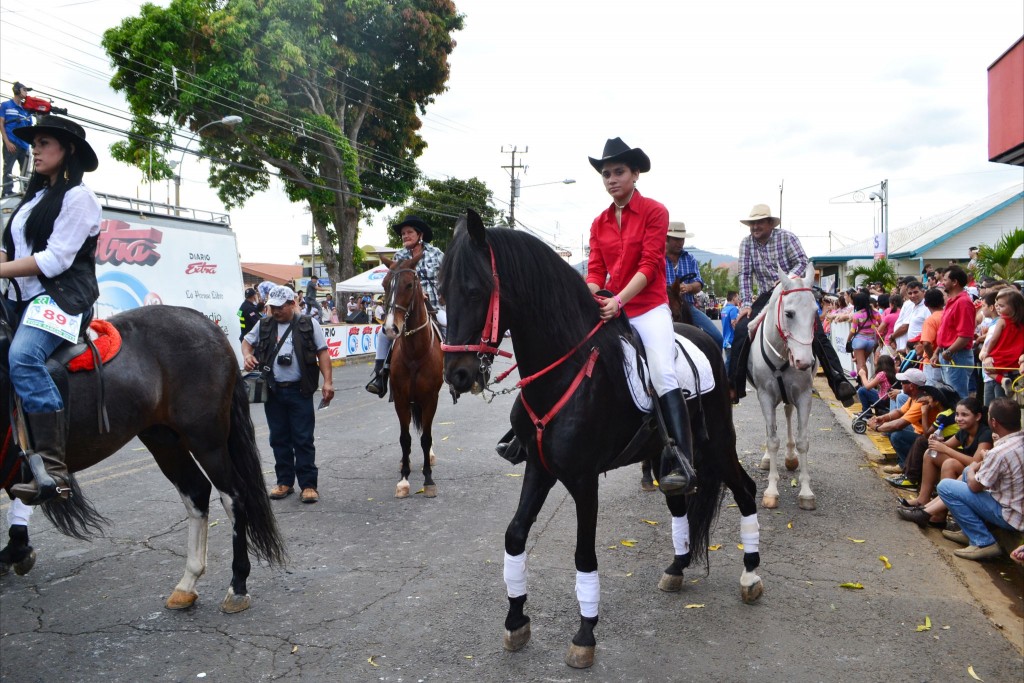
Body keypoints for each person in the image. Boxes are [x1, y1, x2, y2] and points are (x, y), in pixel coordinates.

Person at [578, 137, 695, 494]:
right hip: (611, 306)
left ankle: (681, 460)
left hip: (648, 307)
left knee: (662, 372)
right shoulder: (598, 222)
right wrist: (591, 295)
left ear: (635, 174)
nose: (611, 179)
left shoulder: (655, 211)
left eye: (618, 172)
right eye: (606, 174)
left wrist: (619, 300)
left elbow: (650, 264)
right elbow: (595, 270)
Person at [0, 115, 101, 504]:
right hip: (18, 297)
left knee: (23, 357)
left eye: (44, 143)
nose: (35, 150)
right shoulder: (32, 199)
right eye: (34, 143)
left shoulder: (79, 198)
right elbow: (8, 250)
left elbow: (55, 261)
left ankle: (55, 470)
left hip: (59, 298)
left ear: (68, 149)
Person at [727, 203, 856, 406]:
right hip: (767, 295)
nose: (755, 227)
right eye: (752, 223)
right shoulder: (746, 244)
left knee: (816, 331)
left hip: (794, 292)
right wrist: (746, 304)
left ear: (771, 223)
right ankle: (734, 385)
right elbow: (744, 275)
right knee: (743, 328)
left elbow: (802, 262)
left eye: (759, 222)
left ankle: (838, 380)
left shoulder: (787, 237)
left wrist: (786, 280)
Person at [241, 285, 334, 504]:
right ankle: (284, 482)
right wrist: (247, 355)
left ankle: (308, 485)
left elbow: (322, 353)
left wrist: (328, 382)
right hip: (273, 391)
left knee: (303, 439)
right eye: (271, 307)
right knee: (278, 438)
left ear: (292, 304)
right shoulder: (264, 324)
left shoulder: (308, 324)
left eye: (279, 307)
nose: (275, 311)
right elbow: (246, 343)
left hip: (300, 390)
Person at [365, 216, 445, 398]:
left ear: (420, 235)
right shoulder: (399, 257)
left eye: (409, 232)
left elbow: (448, 278)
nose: (405, 236)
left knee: (450, 327)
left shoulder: (436, 254)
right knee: (383, 334)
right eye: (403, 233)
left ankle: (453, 374)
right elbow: (394, 284)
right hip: (405, 310)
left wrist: (442, 293)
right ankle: (380, 376)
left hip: (433, 307)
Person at [937, 397, 1023, 561]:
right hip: (1016, 506)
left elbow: (975, 486)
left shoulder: (1000, 452)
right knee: (967, 471)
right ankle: (968, 531)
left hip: (1011, 515)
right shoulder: (1017, 440)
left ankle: (983, 542)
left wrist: (973, 469)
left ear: (994, 422)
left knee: (946, 487)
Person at [664, 222, 723, 347]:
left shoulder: (689, 258)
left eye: (682, 239)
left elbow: (699, 283)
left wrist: (689, 287)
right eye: (676, 239)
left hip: (687, 306)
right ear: (667, 239)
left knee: (717, 337)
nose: (680, 243)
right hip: (663, 308)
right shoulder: (657, 258)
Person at [868, 368, 928, 475]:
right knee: (890, 430)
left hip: (926, 439)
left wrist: (877, 428)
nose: (901, 384)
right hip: (918, 434)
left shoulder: (920, 402)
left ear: (911, 386)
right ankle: (903, 464)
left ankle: (909, 469)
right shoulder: (914, 397)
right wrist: (883, 418)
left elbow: (899, 424)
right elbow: (899, 411)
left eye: (903, 382)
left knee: (897, 435)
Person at [935, 266, 975, 399]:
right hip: (948, 354)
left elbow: (965, 335)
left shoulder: (963, 302)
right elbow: (946, 332)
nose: (942, 282)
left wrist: (949, 351)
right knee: (949, 396)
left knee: (957, 397)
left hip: (957, 355)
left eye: (945, 279)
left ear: (954, 282)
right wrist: (937, 352)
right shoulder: (952, 301)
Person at [980, 287, 1024, 402]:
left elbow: (993, 339)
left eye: (1001, 306)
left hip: (1000, 358)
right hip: (1015, 360)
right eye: (997, 305)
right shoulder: (1021, 323)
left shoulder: (1002, 321)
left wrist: (987, 352)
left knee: (987, 369)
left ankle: (1003, 380)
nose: (997, 308)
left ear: (1014, 307)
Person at [1, 82, 33, 198]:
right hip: (11, 143)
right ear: (17, 90)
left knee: (25, 171)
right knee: (8, 169)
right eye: (24, 90)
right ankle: (7, 192)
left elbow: (29, 128)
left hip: (24, 145)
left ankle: (25, 193)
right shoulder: (6, 105)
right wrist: (7, 142)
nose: (26, 93)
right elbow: (1, 124)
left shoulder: (26, 110)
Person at [845, 291, 881, 377]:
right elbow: (881, 323)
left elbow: (853, 330)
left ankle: (864, 383)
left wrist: (848, 339)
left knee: (861, 365)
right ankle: (862, 381)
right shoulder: (875, 313)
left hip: (859, 340)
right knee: (862, 362)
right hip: (871, 341)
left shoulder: (857, 315)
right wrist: (873, 326)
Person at [890, 280, 928, 355]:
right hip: (912, 349)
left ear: (923, 292)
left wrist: (922, 347)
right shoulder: (913, 306)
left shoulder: (927, 307)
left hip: (922, 349)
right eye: (910, 293)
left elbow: (929, 330)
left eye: (915, 292)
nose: (913, 295)